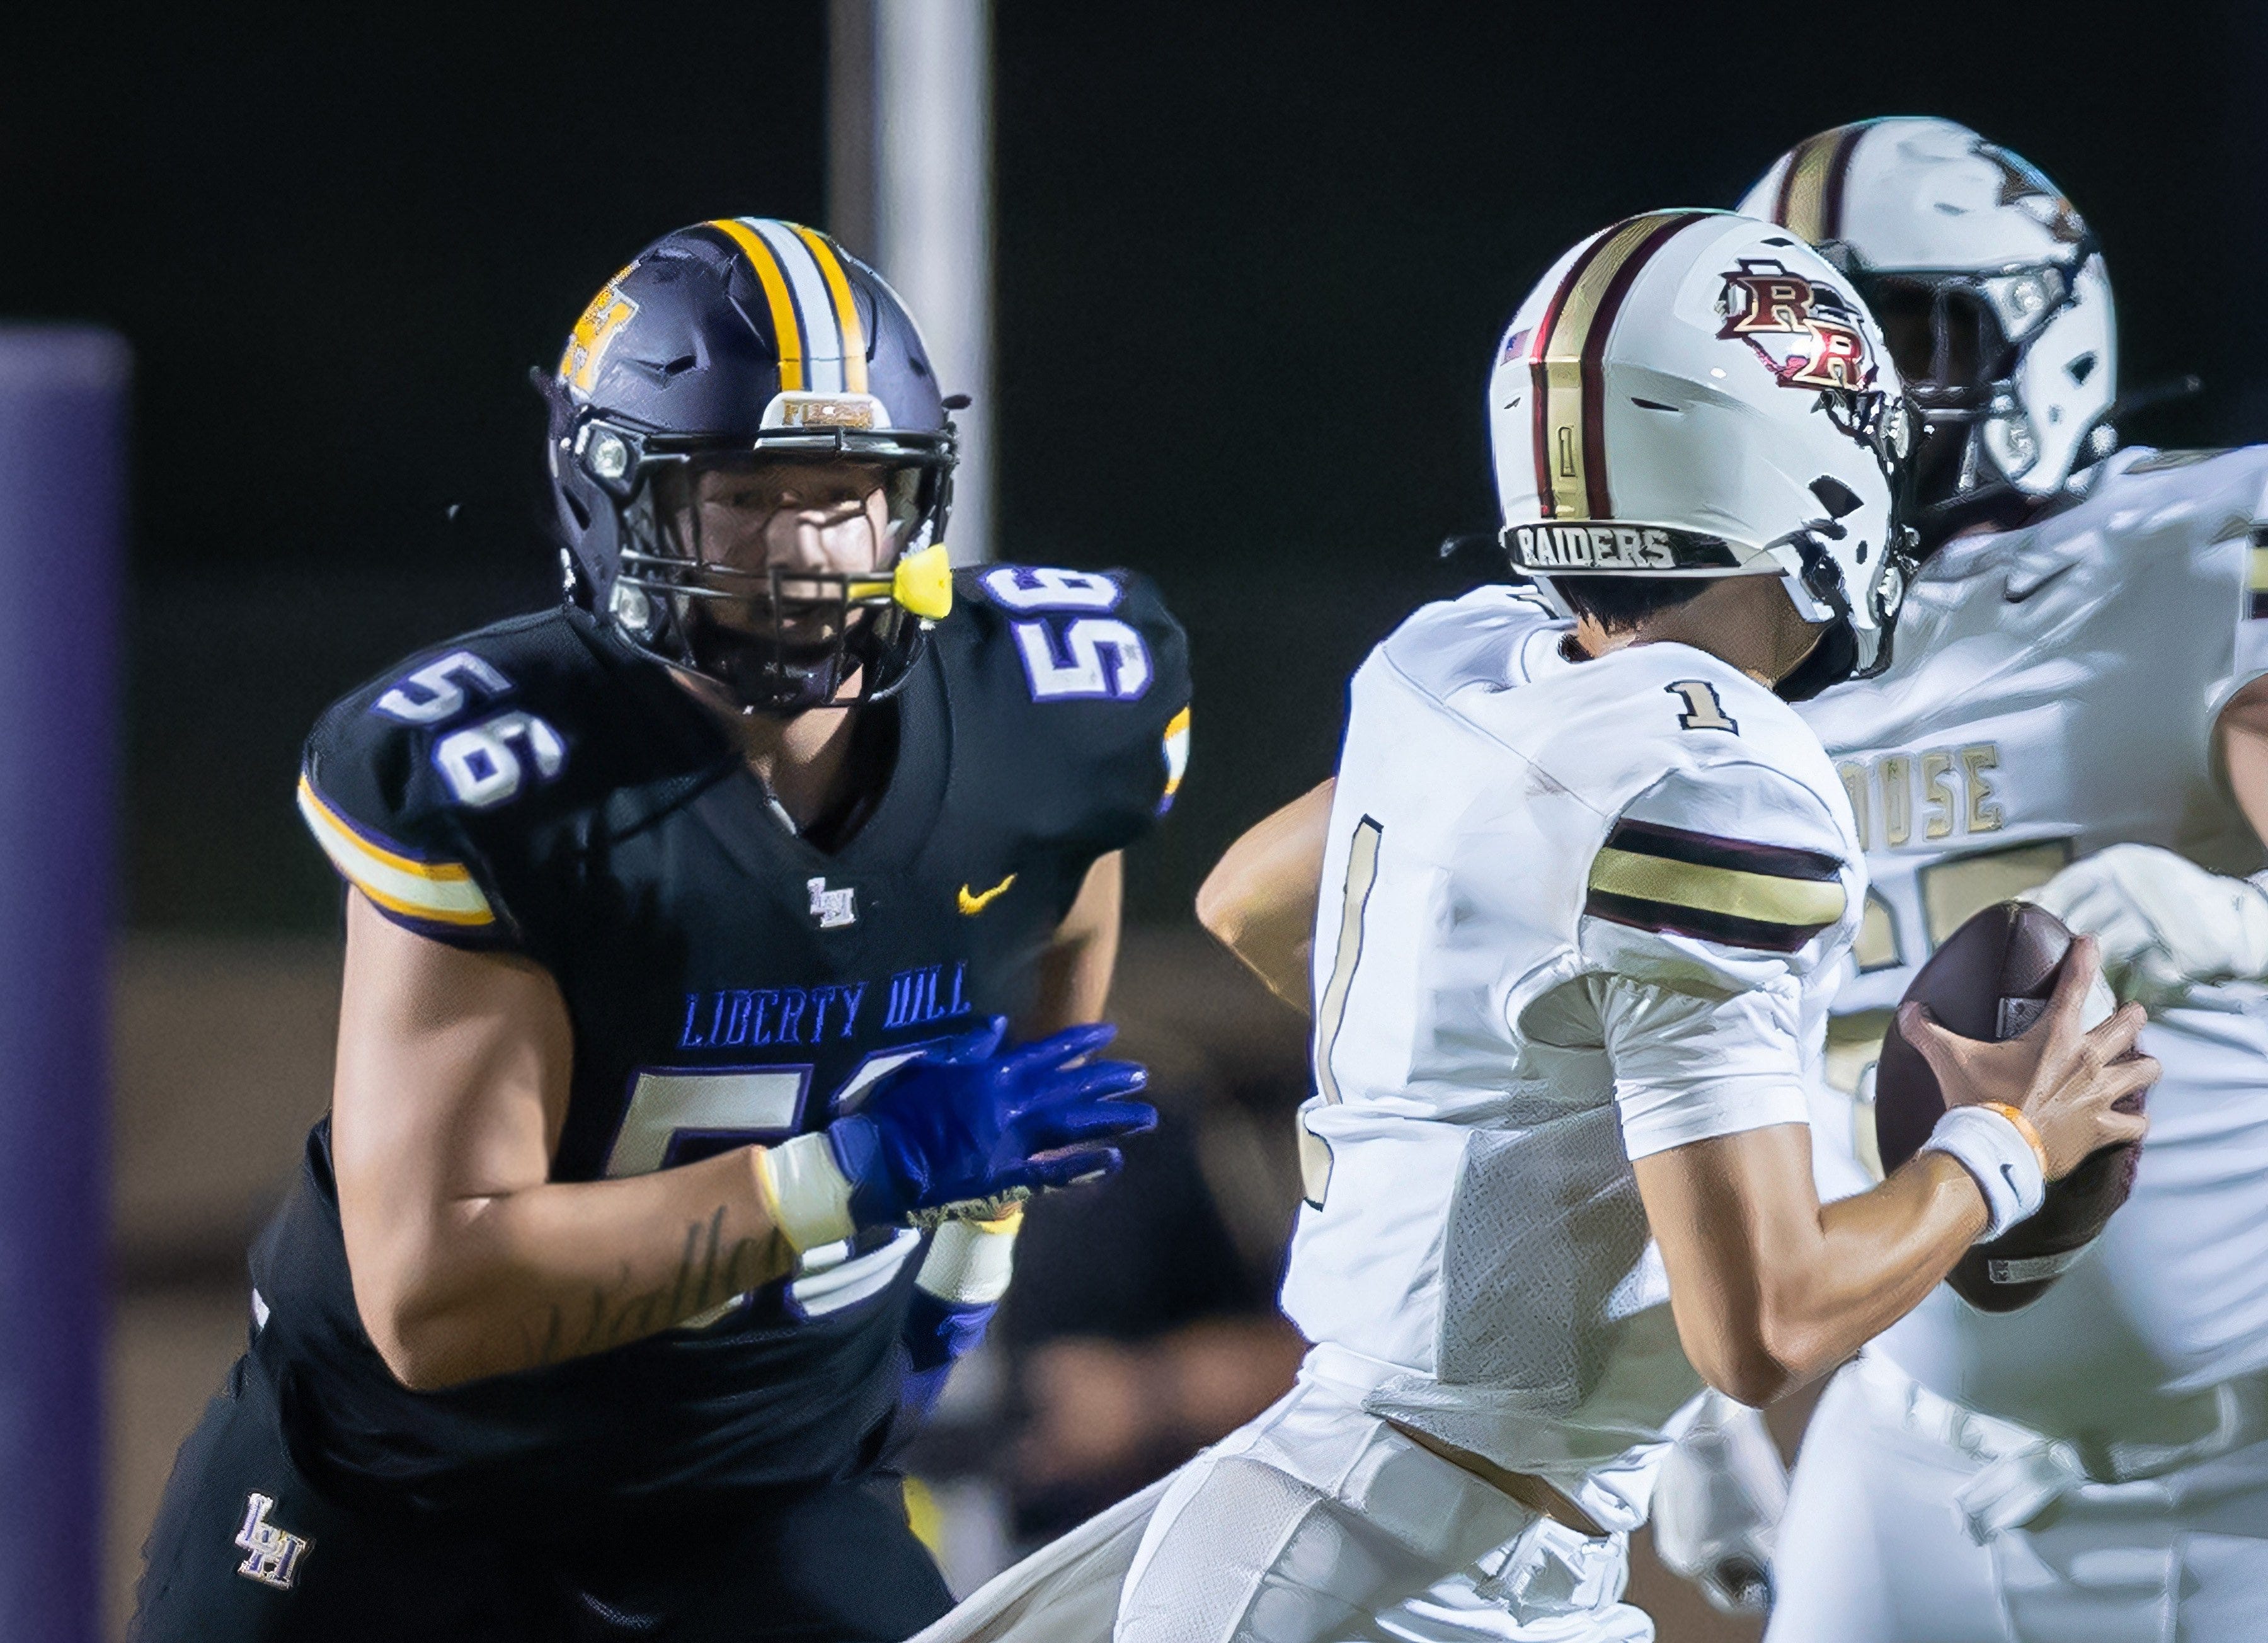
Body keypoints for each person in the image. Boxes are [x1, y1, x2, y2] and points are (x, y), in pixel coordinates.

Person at [911, 209, 2153, 1643]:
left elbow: (1247, 897)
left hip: (1325, 1504)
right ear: (1792, 462)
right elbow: (1766, 1327)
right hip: (1411, 1574)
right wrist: (2007, 1148)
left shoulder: (1464, 660)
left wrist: (1509, 1143)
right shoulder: (1719, 784)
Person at [130, 217, 1185, 1643]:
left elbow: (1065, 874)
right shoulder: (505, 776)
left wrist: (971, 1246)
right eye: (744, 498)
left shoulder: (1051, 717)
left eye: (848, 495)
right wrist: (854, 1176)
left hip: (758, 1493)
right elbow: (436, 1297)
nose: (808, 552)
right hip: (404, 1504)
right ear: (614, 498)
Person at [1719, 118, 2268, 1643]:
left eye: (1908, 340)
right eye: (1818, 362)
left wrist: (2234, 920)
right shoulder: (1719, 647)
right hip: (1905, 1464)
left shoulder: (2192, 556)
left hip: (2247, 1479)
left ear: (2047, 332)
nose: (1864, 404)